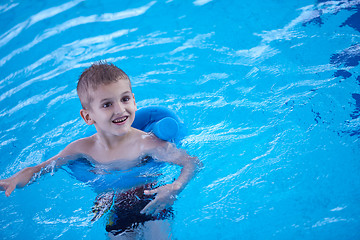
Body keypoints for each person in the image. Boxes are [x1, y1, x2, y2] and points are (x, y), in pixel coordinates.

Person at [0, 61, 200, 239]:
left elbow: (191, 162)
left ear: (134, 101)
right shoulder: (82, 148)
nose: (120, 110)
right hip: (116, 208)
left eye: (125, 99)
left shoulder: (146, 143)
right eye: (107, 104)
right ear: (88, 117)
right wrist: (14, 180)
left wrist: (175, 188)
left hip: (152, 202)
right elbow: (41, 168)